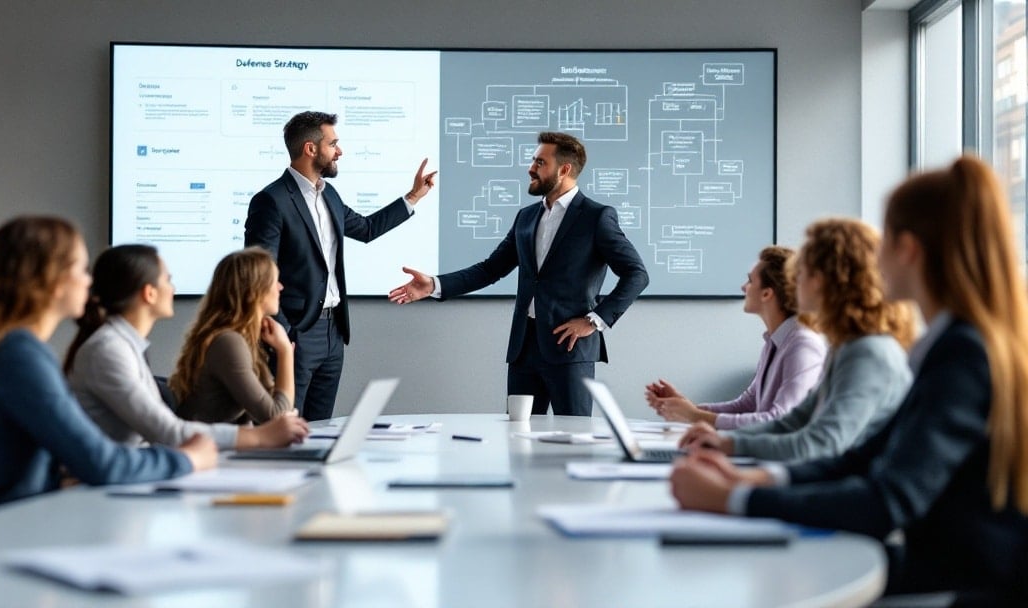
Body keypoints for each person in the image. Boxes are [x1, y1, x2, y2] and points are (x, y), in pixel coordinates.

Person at [670, 156, 1028, 600]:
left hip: (960, 585)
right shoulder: (946, 344)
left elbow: (888, 499)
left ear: (909, 250)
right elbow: (861, 457)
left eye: (885, 241)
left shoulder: (963, 354)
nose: (876, 258)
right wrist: (755, 481)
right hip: (941, 565)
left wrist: (732, 501)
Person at [0, 217, 216, 518]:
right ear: (51, 279)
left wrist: (60, 476)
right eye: (81, 269)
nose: (89, 282)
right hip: (2, 530)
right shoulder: (19, 356)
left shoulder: (0, 347)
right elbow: (104, 464)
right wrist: (187, 459)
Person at [389, 132, 649, 416]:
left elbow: (636, 274)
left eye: (540, 162)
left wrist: (594, 320)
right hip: (523, 350)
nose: (531, 168)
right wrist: (434, 285)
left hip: (571, 349)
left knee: (573, 439)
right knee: (519, 439)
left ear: (564, 170)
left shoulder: (596, 217)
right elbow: (491, 269)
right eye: (533, 161)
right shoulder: (526, 217)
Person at [244, 111, 437, 421]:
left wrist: (414, 196)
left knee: (322, 428)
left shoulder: (329, 194)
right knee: (285, 428)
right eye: (334, 144)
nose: (340, 151)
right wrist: (285, 333)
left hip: (334, 332)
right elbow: (257, 275)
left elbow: (366, 229)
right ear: (310, 149)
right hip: (297, 332)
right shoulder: (272, 200)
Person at [673, 220, 915, 462]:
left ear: (820, 280)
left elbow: (820, 443)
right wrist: (726, 442)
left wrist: (740, 481)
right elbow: (795, 420)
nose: (792, 283)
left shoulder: (867, 352)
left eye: (799, 273)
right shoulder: (846, 346)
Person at [64, 244, 309, 450]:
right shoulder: (109, 350)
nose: (174, 288)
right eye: (168, 280)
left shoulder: (125, 346)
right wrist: (260, 437)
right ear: (149, 293)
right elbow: (166, 432)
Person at [645, 246, 826, 429]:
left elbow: (780, 422)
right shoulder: (774, 342)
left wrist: (694, 415)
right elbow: (746, 405)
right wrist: (684, 408)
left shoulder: (803, 346)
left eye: (749, 281)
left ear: (766, 293)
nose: (743, 287)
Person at [172, 247, 300, 425]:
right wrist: (285, 352)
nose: (280, 287)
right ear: (253, 292)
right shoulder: (228, 342)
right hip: (204, 448)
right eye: (274, 281)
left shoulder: (242, 337)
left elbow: (273, 403)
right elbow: (275, 416)